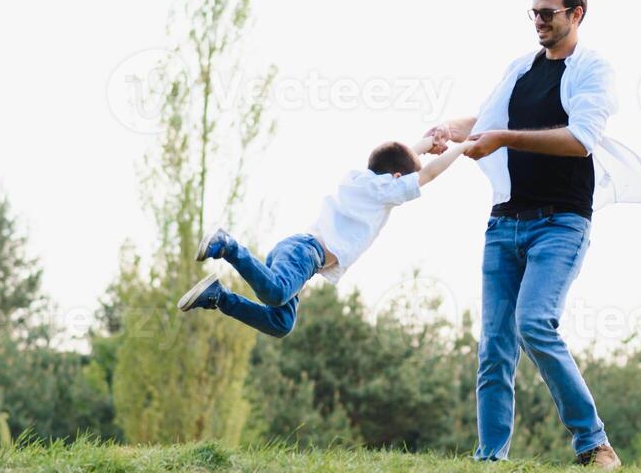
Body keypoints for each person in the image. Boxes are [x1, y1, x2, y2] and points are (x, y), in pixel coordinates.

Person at [429, 0, 641, 470]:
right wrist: (451, 129)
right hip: (504, 223)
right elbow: (488, 123)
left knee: (534, 322)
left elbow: (580, 138)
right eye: (533, 12)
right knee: (494, 345)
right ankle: (489, 459)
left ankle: (595, 444)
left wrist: (504, 139)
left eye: (548, 13)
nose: (538, 21)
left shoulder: (593, 70)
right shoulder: (521, 69)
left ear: (576, 14)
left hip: (561, 222)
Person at [178, 135, 472, 337]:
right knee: (277, 293)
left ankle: (217, 296)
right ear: (396, 179)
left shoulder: (363, 179)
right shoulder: (384, 190)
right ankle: (228, 246)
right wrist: (461, 147)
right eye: (403, 180)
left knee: (281, 323)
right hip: (305, 254)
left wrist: (425, 143)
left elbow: (399, 157)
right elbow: (427, 175)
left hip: (297, 253)